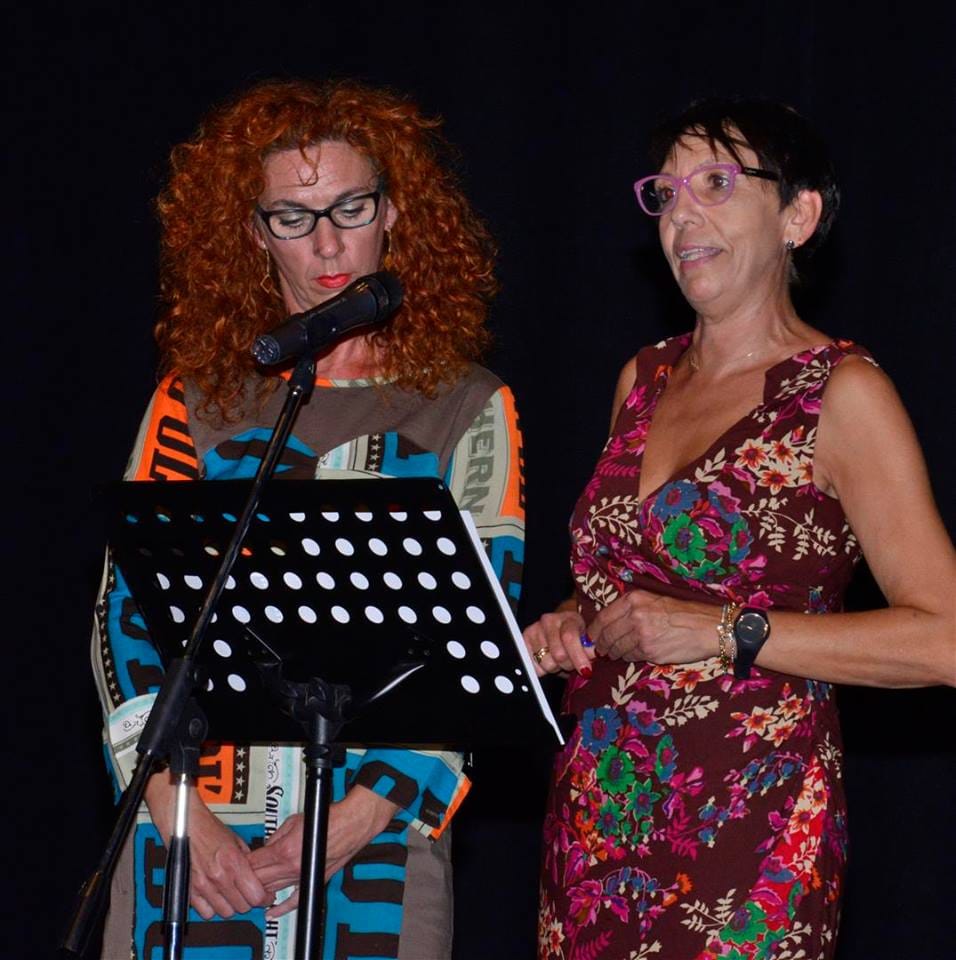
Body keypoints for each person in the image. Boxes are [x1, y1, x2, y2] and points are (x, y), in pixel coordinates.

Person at [91, 78, 525, 960]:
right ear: (254, 233)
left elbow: (480, 642)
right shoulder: (192, 400)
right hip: (194, 844)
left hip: (375, 851)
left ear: (393, 212)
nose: (327, 243)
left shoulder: (466, 406)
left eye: (350, 208)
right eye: (292, 216)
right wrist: (180, 811)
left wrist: (357, 817)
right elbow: (122, 624)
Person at [525, 98, 954, 958]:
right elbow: (626, 582)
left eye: (717, 184)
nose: (682, 214)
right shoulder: (642, 378)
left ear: (799, 215)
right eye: (666, 193)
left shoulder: (840, 394)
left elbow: (944, 640)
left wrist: (726, 630)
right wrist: (573, 620)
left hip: (747, 836)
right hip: (597, 827)